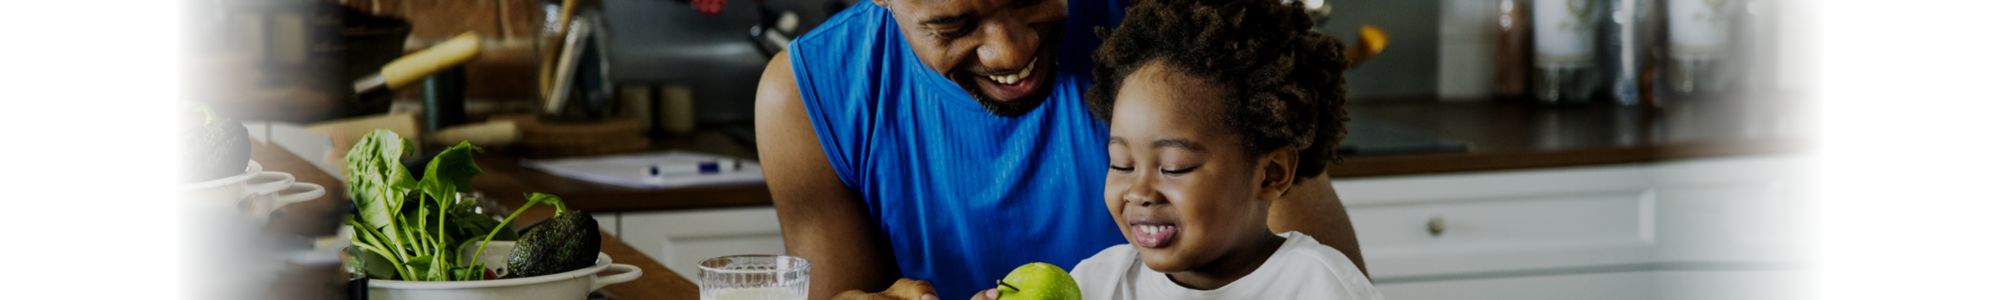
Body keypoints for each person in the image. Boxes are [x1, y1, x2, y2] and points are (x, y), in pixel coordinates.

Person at [752, 0, 1367, 298]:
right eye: (955, 26)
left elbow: (1281, 257)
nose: (1009, 52)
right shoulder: (811, 95)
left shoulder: (1184, 45)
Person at [1055, 0, 1383, 298]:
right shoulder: (1098, 283)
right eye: (1122, 164)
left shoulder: (1318, 286)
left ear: (1271, 174)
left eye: (1173, 167)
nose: (1139, 191)